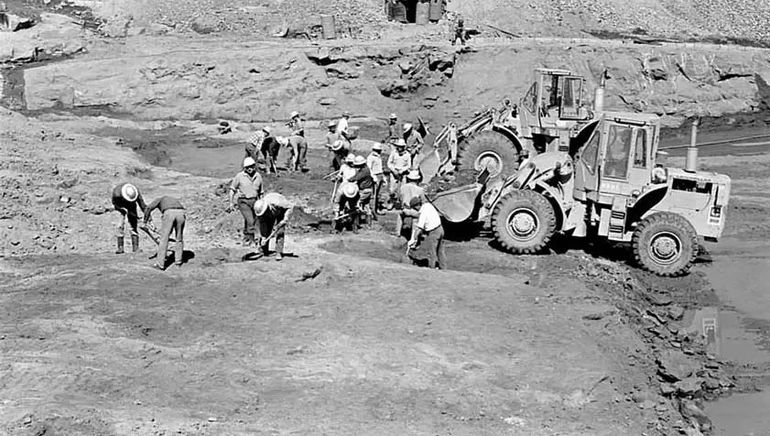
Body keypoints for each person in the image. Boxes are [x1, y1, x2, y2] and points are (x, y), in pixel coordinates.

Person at [143, 195, 186, 270]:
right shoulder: (173, 199)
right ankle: (178, 262)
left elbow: (148, 208)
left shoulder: (159, 199)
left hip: (169, 213)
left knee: (164, 239)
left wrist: (145, 220)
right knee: (179, 238)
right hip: (181, 213)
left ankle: (160, 265)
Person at [229, 157, 264, 246]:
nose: (250, 169)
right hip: (243, 201)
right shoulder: (239, 176)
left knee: (254, 220)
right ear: (245, 168)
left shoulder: (258, 176)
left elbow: (261, 192)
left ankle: (246, 238)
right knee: (250, 220)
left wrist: (261, 203)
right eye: (248, 167)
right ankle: (251, 239)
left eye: (251, 166)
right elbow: (232, 189)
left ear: (254, 166)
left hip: (255, 201)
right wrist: (231, 202)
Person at [407, 196, 446, 270]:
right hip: (440, 229)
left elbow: (419, 228)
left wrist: (413, 239)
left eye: (414, 208)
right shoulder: (428, 205)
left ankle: (432, 268)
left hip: (434, 232)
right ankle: (443, 268)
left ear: (417, 206)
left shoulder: (423, 213)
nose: (414, 209)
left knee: (431, 251)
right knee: (440, 251)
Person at [253, 192, 294, 261]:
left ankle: (278, 252)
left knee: (280, 231)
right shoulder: (261, 211)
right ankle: (264, 250)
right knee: (267, 229)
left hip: (281, 212)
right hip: (270, 213)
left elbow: (290, 206)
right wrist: (263, 237)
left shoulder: (278, 202)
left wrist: (285, 218)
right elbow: (262, 225)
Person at [111, 182, 147, 254]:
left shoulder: (136, 192)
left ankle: (135, 248)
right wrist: (121, 209)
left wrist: (148, 217)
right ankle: (120, 248)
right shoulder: (117, 193)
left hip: (131, 206)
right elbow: (114, 203)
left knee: (133, 225)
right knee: (120, 225)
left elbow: (142, 205)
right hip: (120, 206)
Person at [395, 170, 426, 238]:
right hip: (414, 210)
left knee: (400, 216)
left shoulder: (402, 187)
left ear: (409, 179)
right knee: (416, 219)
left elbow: (400, 198)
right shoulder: (420, 189)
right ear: (417, 180)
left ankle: (398, 232)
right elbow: (423, 202)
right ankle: (413, 236)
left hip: (405, 209)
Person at [387, 138, 412, 205]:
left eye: (401, 146)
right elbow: (389, 163)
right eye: (398, 146)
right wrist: (394, 170)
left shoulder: (407, 154)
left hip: (403, 173)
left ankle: (402, 203)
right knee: (392, 189)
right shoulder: (393, 153)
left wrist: (402, 170)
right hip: (394, 173)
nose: (399, 148)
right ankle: (392, 202)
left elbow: (409, 165)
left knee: (403, 189)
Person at [366, 143, 385, 216]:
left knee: (378, 194)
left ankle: (376, 209)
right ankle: (372, 210)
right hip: (375, 176)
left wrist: (383, 177)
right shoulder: (370, 157)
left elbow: (380, 168)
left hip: (380, 175)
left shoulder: (378, 157)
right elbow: (369, 168)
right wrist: (373, 177)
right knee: (373, 194)